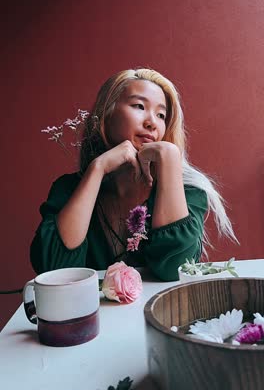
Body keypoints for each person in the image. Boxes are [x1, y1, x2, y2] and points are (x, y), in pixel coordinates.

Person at [30, 68, 237, 281]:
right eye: (139, 106)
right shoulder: (68, 189)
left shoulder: (189, 193)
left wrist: (170, 158)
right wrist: (97, 168)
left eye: (161, 115)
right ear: (106, 116)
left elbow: (175, 270)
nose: (151, 122)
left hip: (161, 313)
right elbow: (54, 270)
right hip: (88, 314)